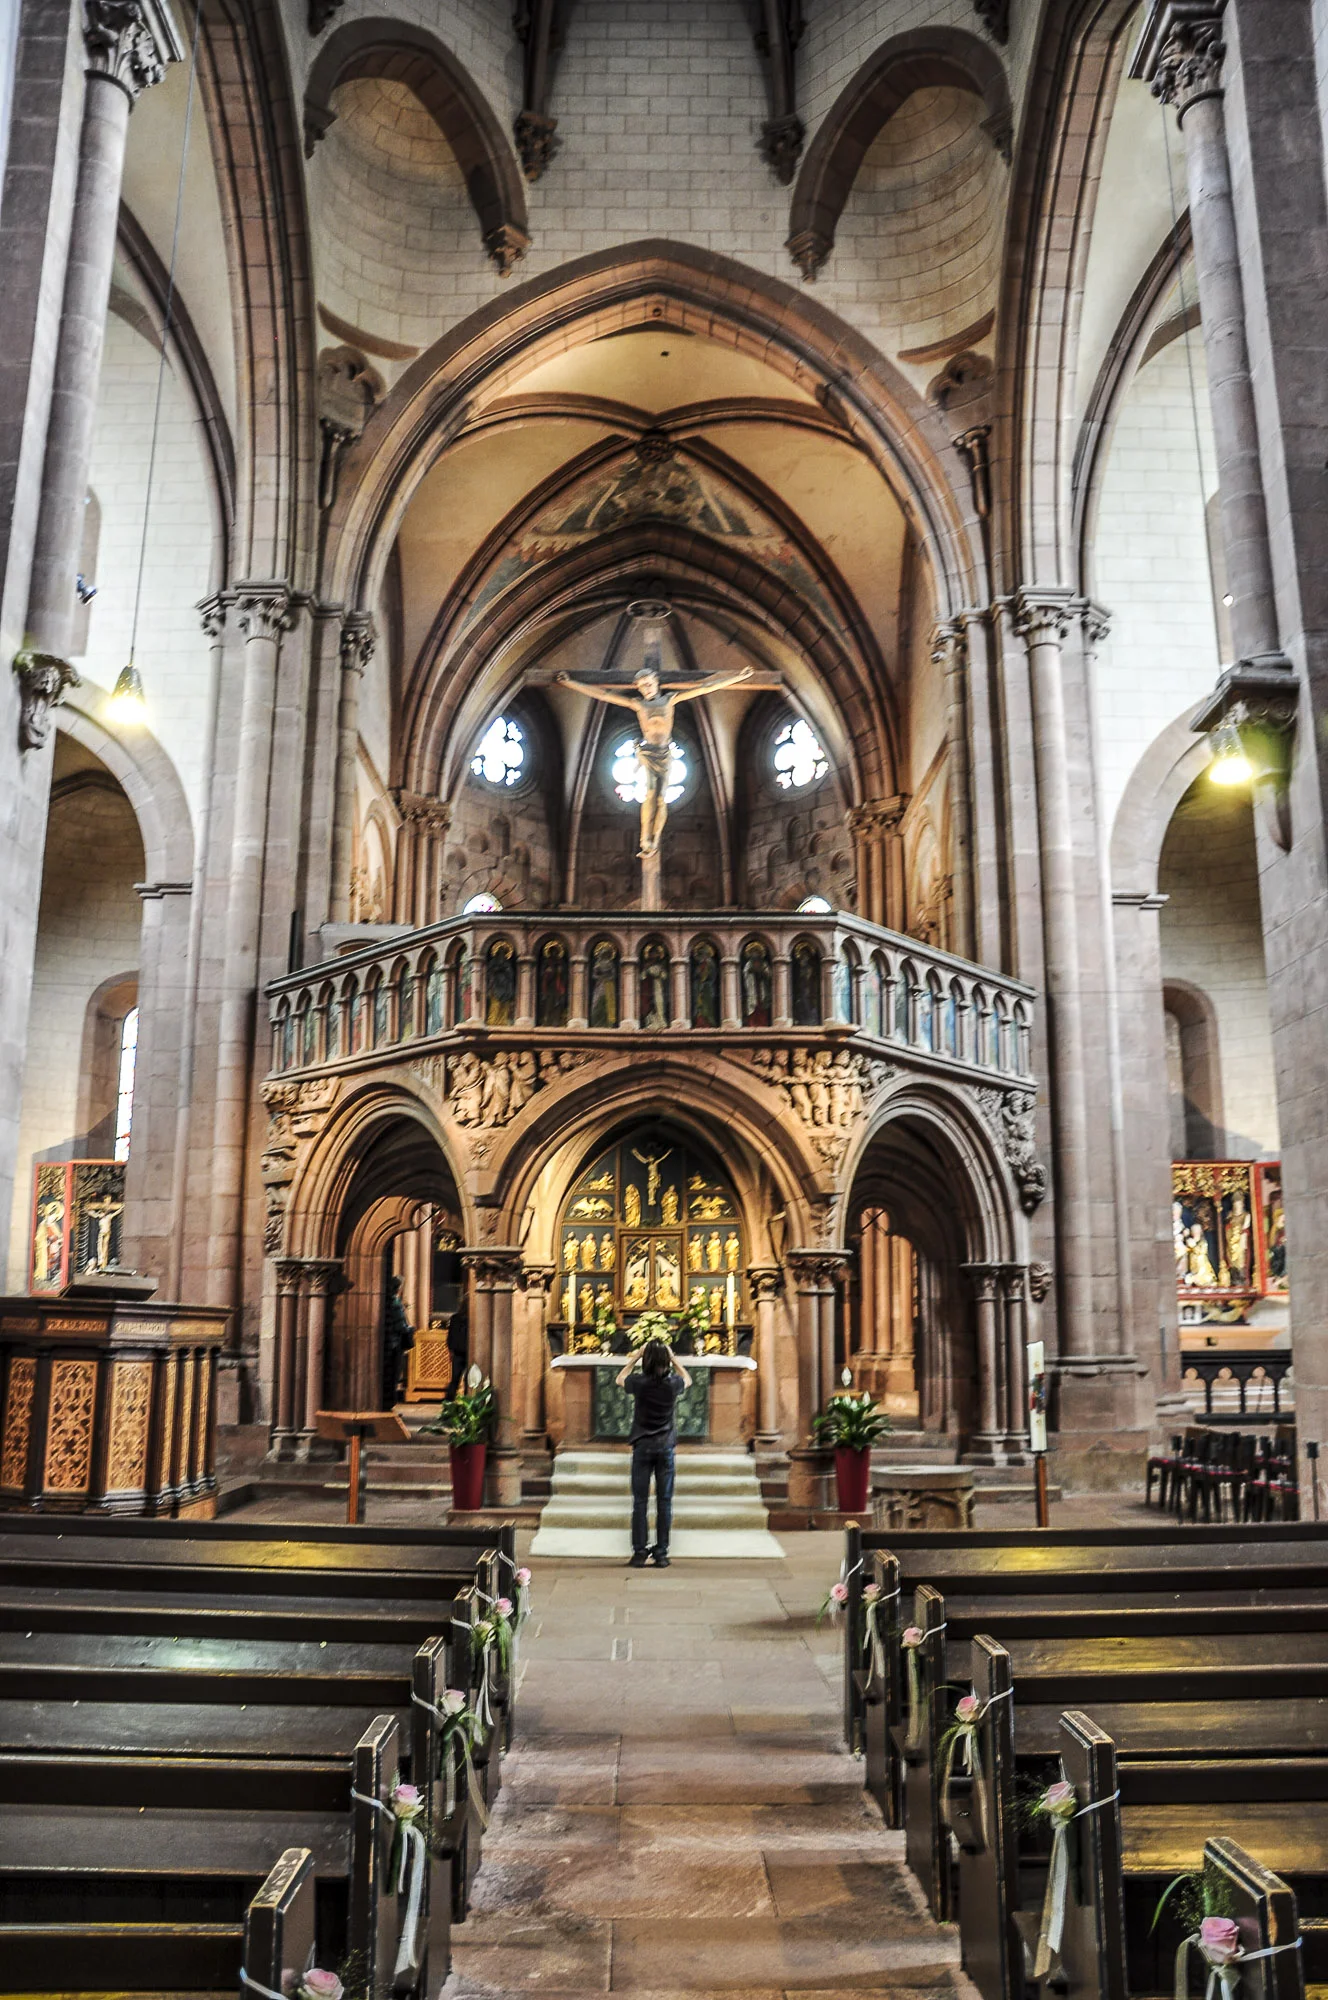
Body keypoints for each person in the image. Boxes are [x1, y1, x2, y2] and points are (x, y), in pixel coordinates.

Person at [616, 1337, 691, 1567]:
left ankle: (639, 1553)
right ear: (665, 1360)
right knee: (664, 1501)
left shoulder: (639, 1382)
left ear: (646, 1359)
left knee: (640, 1502)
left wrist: (635, 1357)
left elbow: (620, 1379)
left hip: (642, 1446)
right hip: (665, 1446)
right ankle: (661, 1553)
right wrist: (673, 1358)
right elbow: (687, 1379)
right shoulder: (672, 1383)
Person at [382, 1274, 413, 1408]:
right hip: (394, 1345)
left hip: (385, 1343)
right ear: (398, 1288)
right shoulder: (395, 1302)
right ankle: (388, 1404)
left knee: (386, 1375)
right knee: (393, 1375)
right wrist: (411, 1329)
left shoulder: (384, 1300)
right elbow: (401, 1327)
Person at [445, 1296, 469, 1399]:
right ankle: (452, 1401)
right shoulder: (457, 1318)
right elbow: (451, 1336)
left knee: (456, 1379)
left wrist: (450, 1350)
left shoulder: (455, 1318)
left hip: (458, 1352)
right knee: (460, 1380)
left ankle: (450, 1402)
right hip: (464, 1352)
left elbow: (450, 1337)